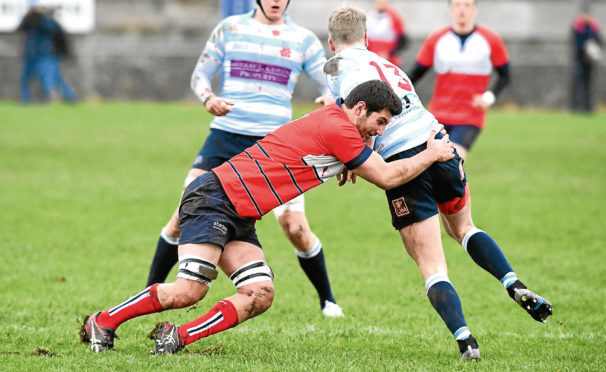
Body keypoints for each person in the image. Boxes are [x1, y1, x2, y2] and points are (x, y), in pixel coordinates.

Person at [79, 80, 456, 354]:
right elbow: (389, 176)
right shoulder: (339, 129)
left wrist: (356, 154)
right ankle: (104, 321)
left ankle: (177, 337)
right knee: (190, 290)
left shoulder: (340, 122)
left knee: (260, 293)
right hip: (214, 198)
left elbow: (359, 142)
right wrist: (432, 153)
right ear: (359, 110)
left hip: (239, 212)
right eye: (381, 121)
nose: (382, 130)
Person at [323, 6, 552, 361]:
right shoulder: (391, 66)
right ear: (367, 38)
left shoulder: (337, 68)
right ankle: (513, 283)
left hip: (406, 161)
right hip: (441, 144)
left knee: (431, 264)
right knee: (464, 229)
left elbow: (361, 118)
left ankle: (466, 341)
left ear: (330, 42)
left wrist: (355, 159)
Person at [145, 0, 344, 318]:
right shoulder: (230, 29)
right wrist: (209, 98)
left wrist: (331, 96)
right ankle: (149, 291)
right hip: (225, 138)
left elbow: (332, 83)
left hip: (275, 146)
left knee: (295, 227)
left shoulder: (303, 39)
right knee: (182, 216)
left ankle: (328, 300)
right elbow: (200, 75)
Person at [407, 0, 509, 160]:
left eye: (467, 5)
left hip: (470, 116)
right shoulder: (436, 39)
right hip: (438, 115)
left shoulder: (490, 39)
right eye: (457, 5)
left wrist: (488, 98)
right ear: (451, 9)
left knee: (453, 161)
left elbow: (505, 76)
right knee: (431, 167)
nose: (462, 10)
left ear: (474, 9)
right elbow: (414, 75)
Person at [18, 6, 75, 103]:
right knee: (26, 78)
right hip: (32, 55)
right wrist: (29, 16)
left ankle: (54, 98)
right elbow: (21, 28)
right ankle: (26, 99)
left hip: (47, 55)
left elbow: (53, 29)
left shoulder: (47, 23)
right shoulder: (30, 22)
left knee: (50, 78)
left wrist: (41, 17)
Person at [571, 5, 602, 113]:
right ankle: (575, 107)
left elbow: (599, 42)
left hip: (590, 59)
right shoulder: (577, 26)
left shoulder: (593, 27)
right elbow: (574, 42)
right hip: (579, 58)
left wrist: (594, 50)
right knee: (578, 83)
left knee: (589, 83)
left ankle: (588, 107)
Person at [366, 0, 408, 67]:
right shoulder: (369, 16)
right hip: (372, 59)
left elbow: (403, 41)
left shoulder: (395, 16)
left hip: (390, 60)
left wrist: (389, 53)